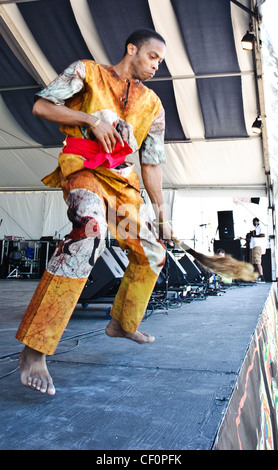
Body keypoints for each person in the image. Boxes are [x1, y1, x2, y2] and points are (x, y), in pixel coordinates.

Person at [15, 29, 173, 395]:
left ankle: (122, 322)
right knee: (90, 233)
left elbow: (151, 163)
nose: (156, 66)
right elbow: (41, 105)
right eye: (152, 57)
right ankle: (35, 349)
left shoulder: (154, 104)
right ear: (131, 48)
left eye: (160, 62)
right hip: (84, 168)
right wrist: (90, 121)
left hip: (122, 181)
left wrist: (161, 211)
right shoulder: (87, 72)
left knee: (152, 253)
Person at [248, 217, 266, 282]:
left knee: (257, 262)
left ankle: (262, 277)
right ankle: (257, 276)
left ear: (257, 221)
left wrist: (255, 235)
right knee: (254, 262)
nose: (253, 223)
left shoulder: (260, 227)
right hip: (253, 246)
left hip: (257, 246)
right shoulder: (256, 228)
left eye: (254, 222)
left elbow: (263, 235)